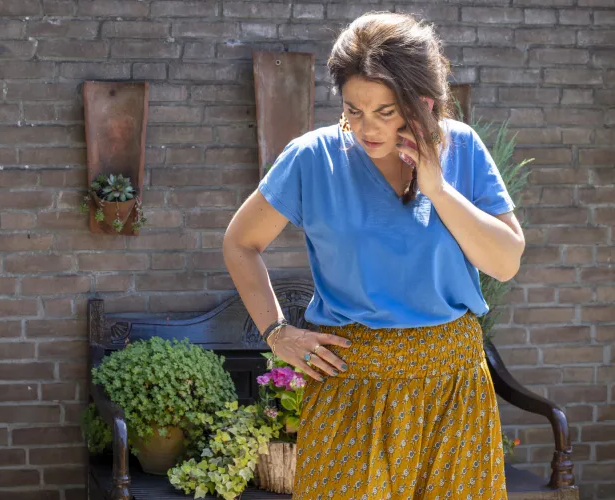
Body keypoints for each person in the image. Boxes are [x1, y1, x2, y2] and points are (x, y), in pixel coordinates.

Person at [223, 11, 525, 499]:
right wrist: (278, 333)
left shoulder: (462, 148)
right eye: (353, 110)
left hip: (454, 386)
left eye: (385, 111)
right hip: (351, 385)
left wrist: (438, 189)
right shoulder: (311, 158)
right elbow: (240, 243)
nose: (367, 128)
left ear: (422, 101)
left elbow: (506, 263)